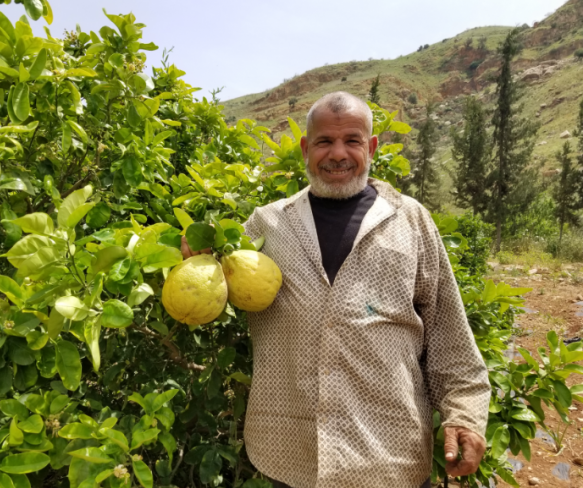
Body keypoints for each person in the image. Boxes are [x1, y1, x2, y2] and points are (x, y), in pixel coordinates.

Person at [181, 91, 491, 488]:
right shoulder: (266, 225)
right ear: (306, 149)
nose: (338, 154)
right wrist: (197, 255)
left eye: (352, 141)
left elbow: (449, 331)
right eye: (325, 141)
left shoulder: (410, 220)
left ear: (372, 146)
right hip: (291, 450)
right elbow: (211, 288)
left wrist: (464, 414)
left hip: (389, 453)